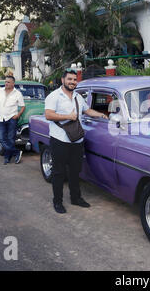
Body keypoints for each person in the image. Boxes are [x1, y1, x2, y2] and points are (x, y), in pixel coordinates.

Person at [45, 69, 108, 214]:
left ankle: (75, 198)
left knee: (75, 171)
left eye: (74, 79)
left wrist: (100, 115)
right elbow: (48, 115)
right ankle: (58, 202)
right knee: (59, 173)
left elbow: (87, 111)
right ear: (63, 80)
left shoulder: (78, 97)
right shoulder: (54, 96)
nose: (72, 82)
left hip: (77, 140)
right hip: (59, 139)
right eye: (70, 79)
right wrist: (68, 116)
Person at [0, 76, 25, 165]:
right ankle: (16, 152)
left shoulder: (17, 93)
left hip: (12, 119)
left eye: (8, 82)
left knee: (10, 139)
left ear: (13, 83)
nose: (6, 83)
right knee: (1, 137)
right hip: (1, 118)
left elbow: (23, 106)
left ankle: (7, 157)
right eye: (5, 82)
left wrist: (17, 115)